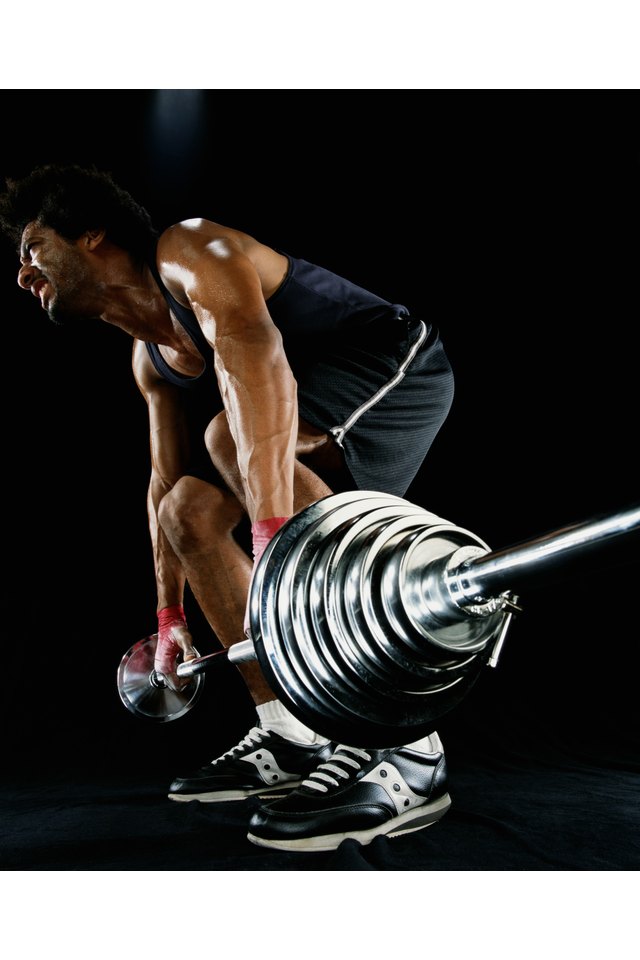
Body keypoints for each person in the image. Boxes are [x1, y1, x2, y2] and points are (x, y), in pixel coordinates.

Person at [0, 163, 455, 853]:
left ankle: (411, 744)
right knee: (187, 509)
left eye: (33, 249)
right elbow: (162, 489)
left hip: (393, 364)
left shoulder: (190, 251)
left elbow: (258, 361)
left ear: (92, 234)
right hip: (288, 419)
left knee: (224, 437)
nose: (24, 275)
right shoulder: (149, 358)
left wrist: (274, 540)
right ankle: (292, 735)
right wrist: (169, 618)